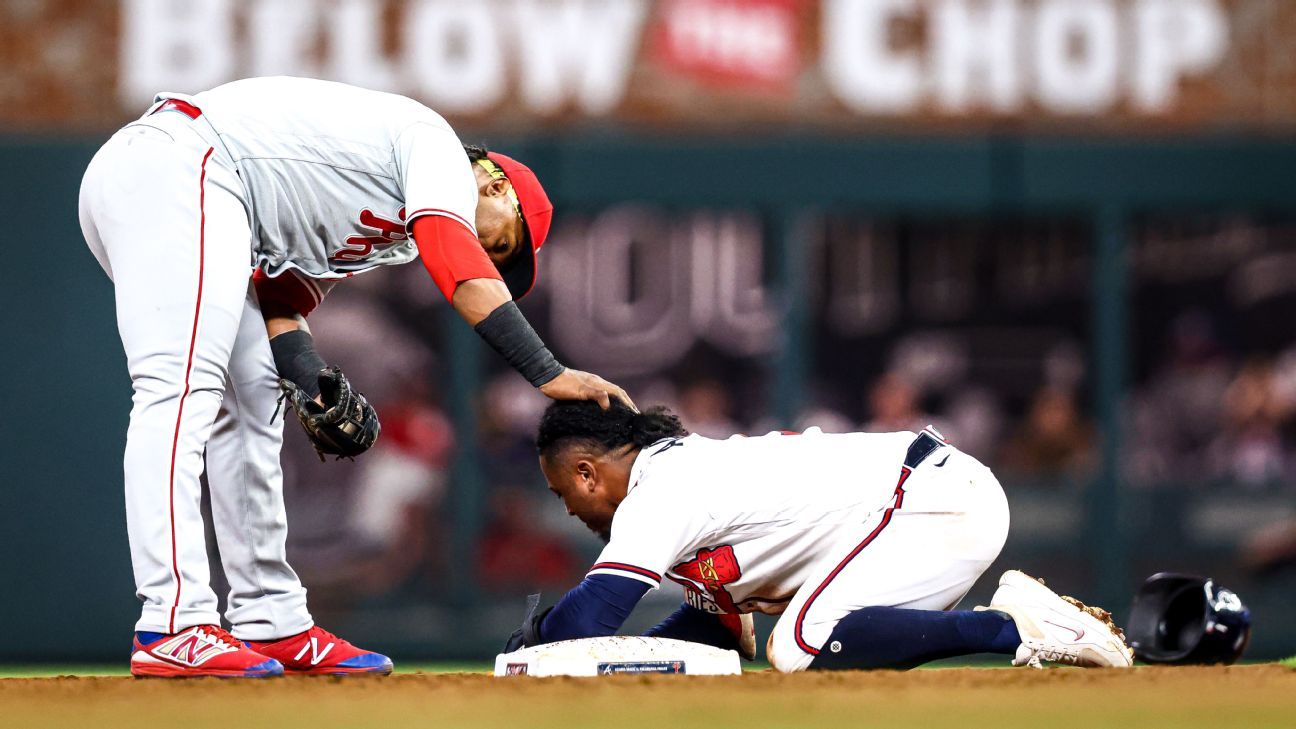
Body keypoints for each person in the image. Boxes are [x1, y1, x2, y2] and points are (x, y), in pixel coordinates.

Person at [78, 77, 632, 678]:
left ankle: (272, 621)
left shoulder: (392, 236)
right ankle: (172, 620)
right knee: (181, 391)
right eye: (499, 239)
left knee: (255, 398)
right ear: (494, 183)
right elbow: (464, 273)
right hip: (178, 164)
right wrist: (548, 374)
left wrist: (309, 374)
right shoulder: (438, 149)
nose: (490, 253)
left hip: (204, 192)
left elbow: (282, 305)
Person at [506, 400, 1133, 671]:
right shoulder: (677, 484)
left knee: (803, 644)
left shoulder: (660, 490)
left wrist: (532, 643)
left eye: (564, 491)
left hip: (928, 502)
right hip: (934, 501)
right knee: (813, 642)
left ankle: (1016, 629)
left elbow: (588, 620)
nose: (567, 509)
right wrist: (644, 664)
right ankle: (1019, 626)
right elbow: (716, 633)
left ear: (588, 473)